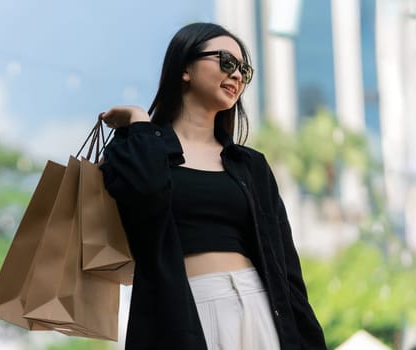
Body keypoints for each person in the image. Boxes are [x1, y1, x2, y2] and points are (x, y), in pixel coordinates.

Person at [99, 22, 326, 350]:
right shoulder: (136, 148)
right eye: (226, 62)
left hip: (259, 305)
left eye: (243, 70)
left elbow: (286, 268)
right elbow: (145, 197)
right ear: (185, 69)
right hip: (183, 313)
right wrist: (139, 122)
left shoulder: (251, 165)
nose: (236, 76)